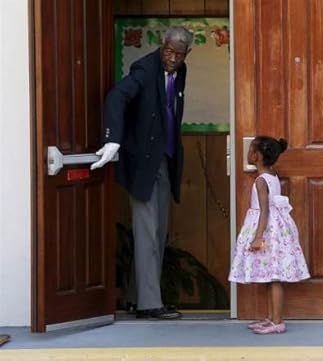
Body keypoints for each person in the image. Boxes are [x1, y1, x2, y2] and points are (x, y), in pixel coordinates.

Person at [90, 27, 194, 320]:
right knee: (148, 233)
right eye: (168, 51)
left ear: (187, 54)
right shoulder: (145, 69)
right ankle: (149, 304)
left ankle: (135, 297)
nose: (171, 58)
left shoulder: (180, 70)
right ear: (162, 46)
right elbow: (116, 97)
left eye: (178, 54)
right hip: (144, 163)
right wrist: (113, 139)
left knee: (157, 232)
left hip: (164, 159)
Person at [228, 136, 310, 334]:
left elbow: (264, 210)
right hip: (276, 230)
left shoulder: (260, 181)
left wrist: (258, 237)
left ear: (256, 156)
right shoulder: (272, 175)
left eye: (250, 150)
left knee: (274, 278)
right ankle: (272, 318)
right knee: (269, 275)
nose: (247, 153)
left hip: (267, 231)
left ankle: (277, 322)